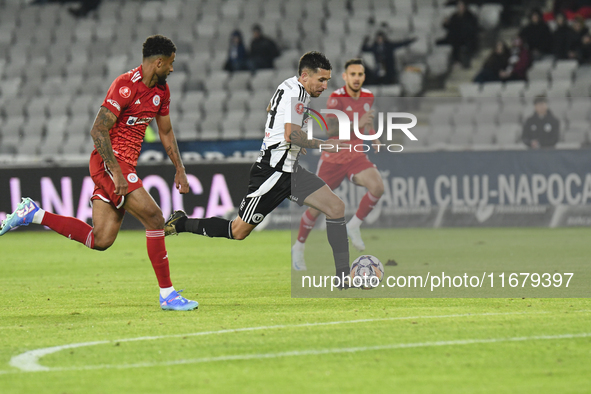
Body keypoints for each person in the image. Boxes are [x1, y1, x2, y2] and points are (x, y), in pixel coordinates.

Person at [0, 35, 198, 311]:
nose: (173, 70)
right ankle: (168, 295)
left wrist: (180, 169)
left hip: (122, 166)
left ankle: (33, 213)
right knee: (155, 218)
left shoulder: (161, 92)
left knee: (101, 239)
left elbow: (165, 131)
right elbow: (98, 129)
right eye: (171, 64)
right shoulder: (125, 86)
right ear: (159, 63)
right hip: (111, 163)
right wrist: (116, 172)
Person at [165, 52, 354, 285]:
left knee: (336, 207)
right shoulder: (297, 93)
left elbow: (270, 110)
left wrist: (293, 145)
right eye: (321, 80)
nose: (325, 85)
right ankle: (181, 223)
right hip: (272, 172)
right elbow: (290, 133)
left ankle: (343, 277)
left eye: (327, 80)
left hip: (290, 169)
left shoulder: (289, 86)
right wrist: (321, 144)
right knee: (238, 231)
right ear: (305, 76)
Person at [291, 59, 384, 271]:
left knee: (378, 186)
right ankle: (298, 247)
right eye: (353, 74)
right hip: (333, 158)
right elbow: (331, 130)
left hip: (355, 155)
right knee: (316, 209)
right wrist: (356, 125)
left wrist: (372, 136)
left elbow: (366, 122)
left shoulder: (368, 96)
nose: (357, 78)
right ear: (345, 77)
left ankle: (354, 225)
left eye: (360, 74)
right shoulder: (336, 98)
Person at [438, 0, 479, 68]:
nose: (460, 7)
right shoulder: (454, 16)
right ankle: (455, 61)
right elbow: (449, 27)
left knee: (459, 42)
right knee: (444, 42)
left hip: (467, 37)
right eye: (459, 6)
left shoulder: (470, 16)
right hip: (456, 37)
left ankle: (463, 61)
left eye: (461, 5)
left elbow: (472, 28)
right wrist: (446, 23)